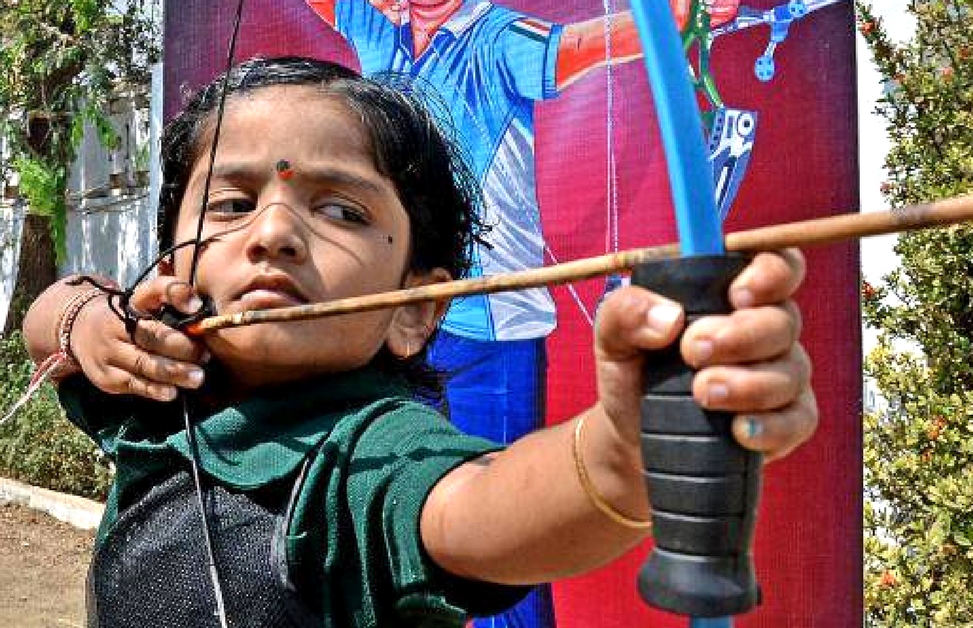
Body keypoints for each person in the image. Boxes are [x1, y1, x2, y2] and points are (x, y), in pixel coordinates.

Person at [21, 56, 816, 628]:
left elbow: (483, 508)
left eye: (343, 212)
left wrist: (621, 450)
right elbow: (50, 319)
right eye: (231, 204)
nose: (274, 234)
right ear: (169, 263)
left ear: (415, 310)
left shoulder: (370, 452)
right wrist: (84, 320)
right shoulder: (162, 384)